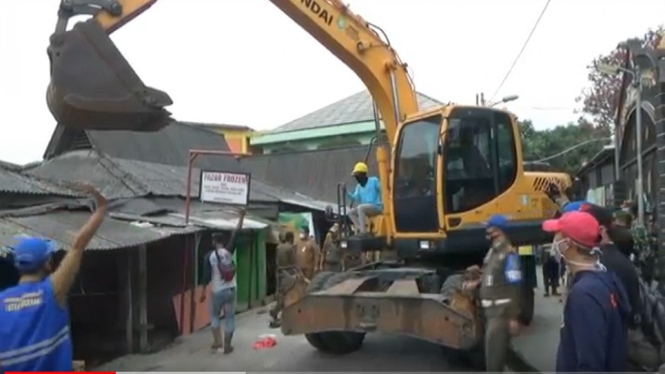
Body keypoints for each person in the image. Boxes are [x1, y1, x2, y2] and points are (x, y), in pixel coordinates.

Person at [0, 184, 106, 372]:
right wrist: (101, 208)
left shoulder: (1, 302)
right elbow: (78, 246)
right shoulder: (51, 292)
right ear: (48, 264)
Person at [542, 211, 631, 372]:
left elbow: (590, 362)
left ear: (568, 243)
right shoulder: (605, 277)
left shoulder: (584, 294)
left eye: (557, 235)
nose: (554, 241)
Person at [464, 214, 537, 372]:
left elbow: (515, 285)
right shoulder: (493, 252)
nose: (486, 230)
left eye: (488, 227)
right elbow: (493, 278)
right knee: (504, 354)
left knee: (493, 362)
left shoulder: (508, 254)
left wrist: (513, 317)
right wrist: (477, 283)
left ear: (497, 230)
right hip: (490, 312)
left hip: (501, 313)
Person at [200, 209, 246, 354]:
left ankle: (217, 341)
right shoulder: (228, 251)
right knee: (230, 318)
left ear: (214, 242)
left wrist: (202, 292)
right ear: (223, 242)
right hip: (231, 289)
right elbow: (236, 233)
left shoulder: (210, 256)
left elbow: (205, 276)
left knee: (215, 316)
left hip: (217, 291)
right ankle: (227, 345)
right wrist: (241, 217)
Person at [269, 231, 298, 328]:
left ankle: (277, 312)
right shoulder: (289, 248)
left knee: (281, 294)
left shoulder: (278, 247)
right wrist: (298, 272)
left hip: (279, 273)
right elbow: (294, 263)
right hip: (287, 274)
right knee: (288, 293)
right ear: (291, 238)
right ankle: (277, 312)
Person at [346, 162, 382, 235]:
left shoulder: (374, 181)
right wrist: (346, 192)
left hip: (376, 207)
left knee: (361, 208)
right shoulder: (359, 187)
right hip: (365, 208)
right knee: (351, 212)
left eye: (357, 176)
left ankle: (363, 232)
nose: (356, 178)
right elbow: (355, 197)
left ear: (363, 175)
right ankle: (359, 227)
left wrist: (383, 202)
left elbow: (383, 190)